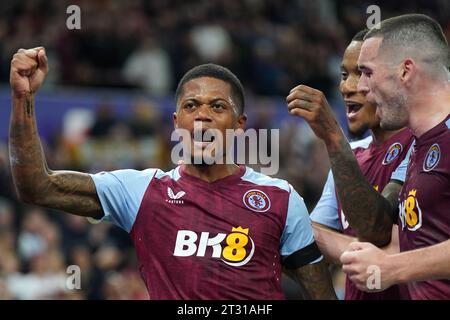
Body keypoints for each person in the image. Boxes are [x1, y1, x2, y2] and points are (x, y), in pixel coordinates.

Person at [9, 47, 336, 300]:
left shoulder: (280, 198)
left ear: (239, 126)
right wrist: (23, 99)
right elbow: (38, 186)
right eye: (191, 106)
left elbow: (319, 294)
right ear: (177, 122)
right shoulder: (140, 191)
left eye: (218, 107)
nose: (202, 117)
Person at [288, 14, 450, 299]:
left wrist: (392, 267)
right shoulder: (421, 147)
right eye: (348, 74)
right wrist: (284, 216)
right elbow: (407, 244)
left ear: (405, 71)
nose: (358, 87)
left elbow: (384, 244)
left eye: (367, 73)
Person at [307, 29, 414, 300]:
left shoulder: (426, 145)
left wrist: (333, 138)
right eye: (344, 75)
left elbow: (376, 230)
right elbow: (308, 248)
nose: (348, 87)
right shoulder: (350, 156)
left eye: (364, 73)